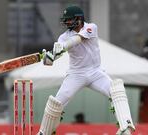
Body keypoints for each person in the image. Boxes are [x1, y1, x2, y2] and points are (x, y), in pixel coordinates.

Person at [39, 5, 135, 135]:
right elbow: (50, 61)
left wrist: (63, 46)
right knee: (56, 103)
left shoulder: (91, 27)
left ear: (78, 19)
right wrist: (49, 58)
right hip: (75, 74)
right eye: (65, 20)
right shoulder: (63, 37)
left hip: (95, 72)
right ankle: (43, 133)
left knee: (116, 90)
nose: (66, 22)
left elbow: (78, 39)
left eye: (69, 20)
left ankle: (126, 128)